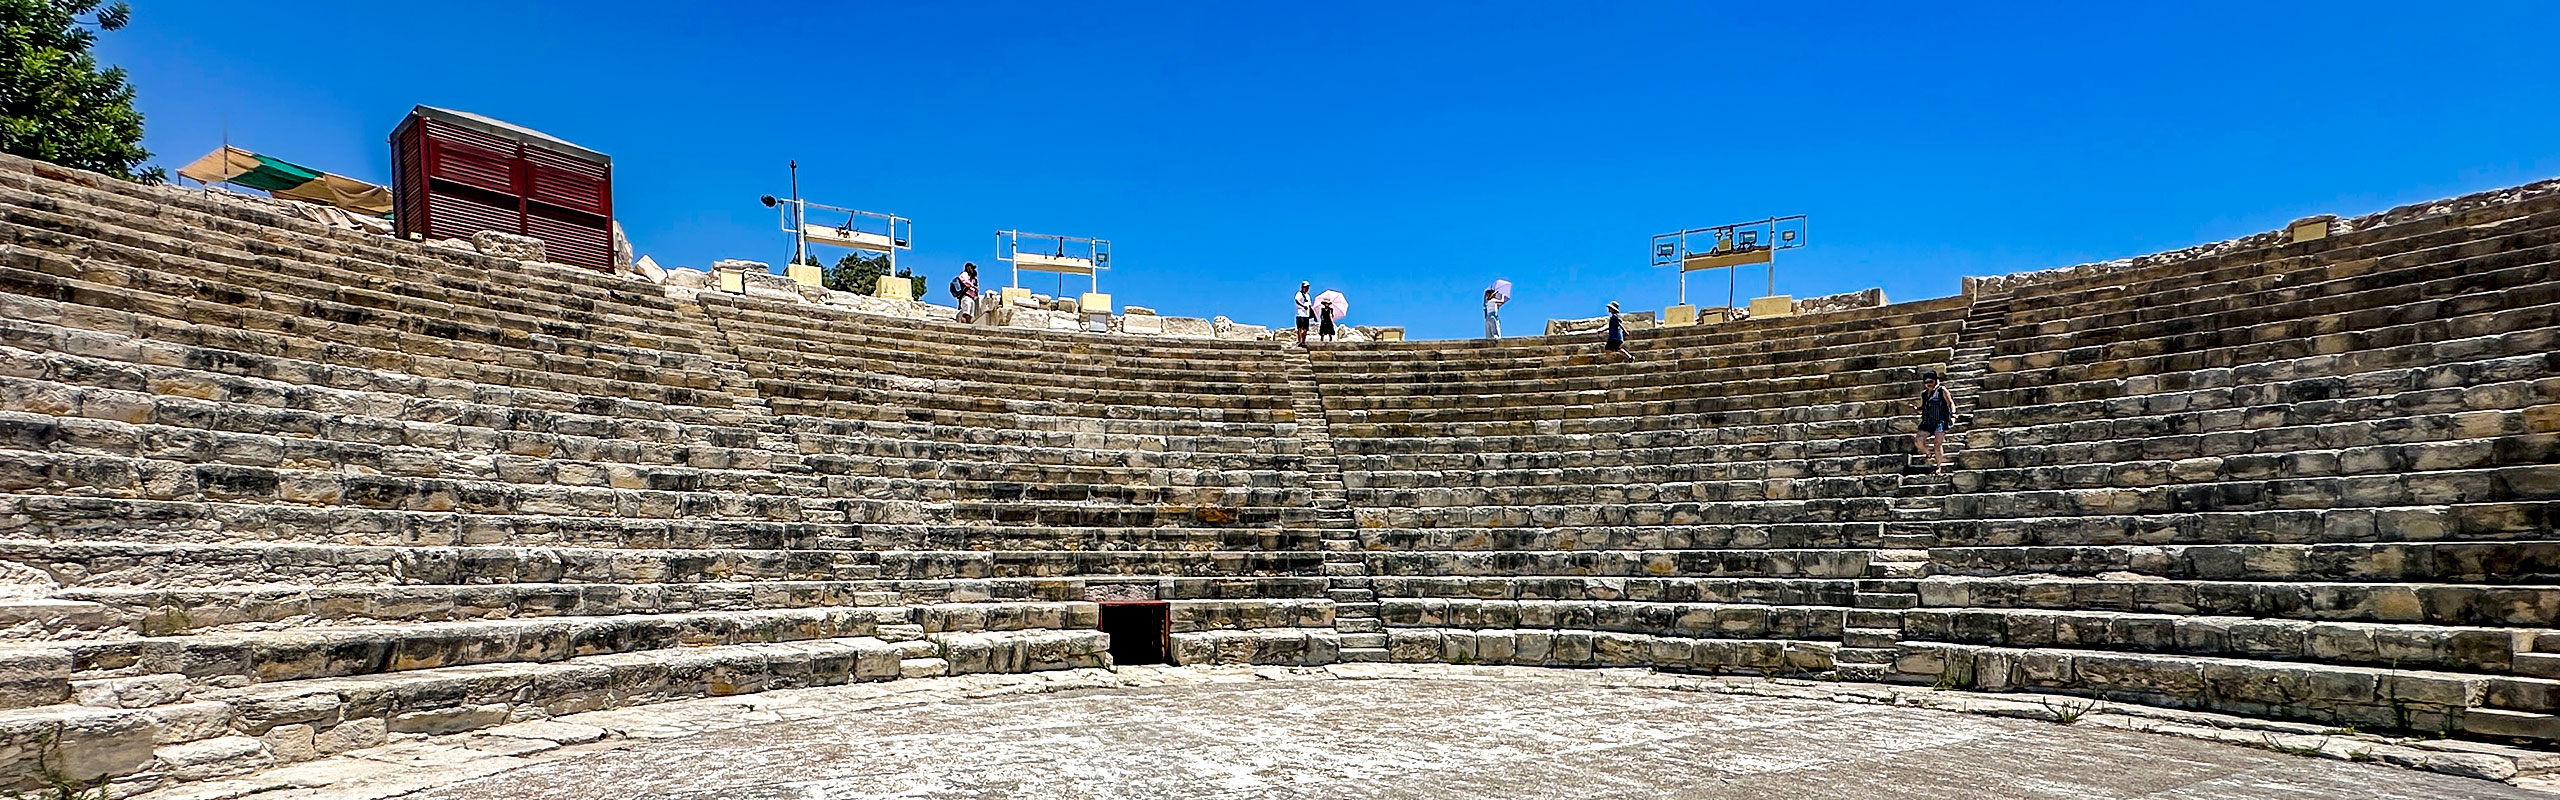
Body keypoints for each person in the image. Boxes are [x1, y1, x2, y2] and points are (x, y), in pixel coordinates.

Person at [1913, 370, 1957, 473]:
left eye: (1930, 381)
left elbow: (1950, 403)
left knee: (1937, 444)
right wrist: (1917, 409)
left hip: (1940, 420)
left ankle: (1939, 467)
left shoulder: (1941, 390)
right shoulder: (1924, 394)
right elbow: (1925, 407)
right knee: (1918, 441)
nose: (1928, 384)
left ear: (1936, 380)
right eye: (1926, 382)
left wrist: (1953, 414)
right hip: (1927, 421)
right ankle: (1928, 453)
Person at [1294, 281, 1313, 347]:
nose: (1307, 289)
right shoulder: (1299, 294)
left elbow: (1309, 305)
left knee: (1305, 329)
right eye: (1306, 287)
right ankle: (1300, 341)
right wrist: (1302, 306)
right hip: (1300, 313)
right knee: (1300, 328)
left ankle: (1303, 341)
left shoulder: (1308, 296)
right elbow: (1296, 300)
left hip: (1306, 314)